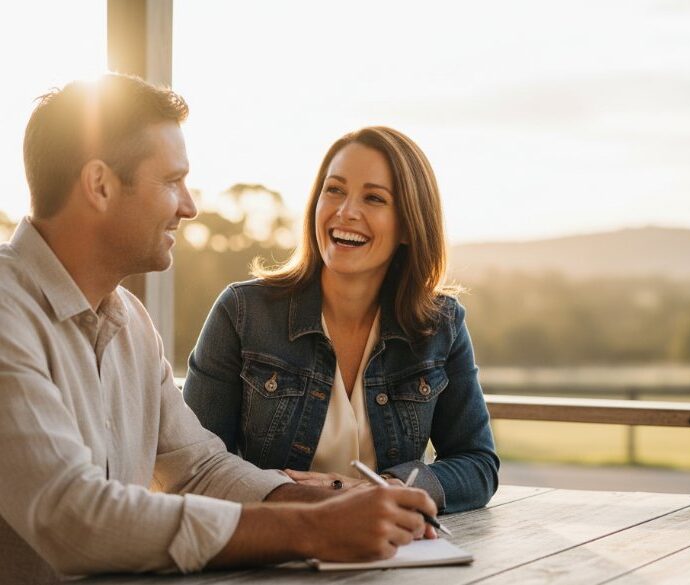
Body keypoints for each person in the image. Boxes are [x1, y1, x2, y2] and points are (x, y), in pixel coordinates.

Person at [0, 74, 438, 585]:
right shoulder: (9, 315)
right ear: (99, 185)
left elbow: (199, 468)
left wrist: (330, 502)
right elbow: (75, 519)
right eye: (171, 181)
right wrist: (312, 528)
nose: (189, 205)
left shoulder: (130, 323)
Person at [183, 126, 499, 514]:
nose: (346, 211)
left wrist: (385, 489)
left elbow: (477, 464)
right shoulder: (242, 312)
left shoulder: (440, 325)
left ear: (408, 225)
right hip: (271, 545)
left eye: (374, 198)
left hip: (385, 550)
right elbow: (196, 466)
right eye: (334, 190)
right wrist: (309, 497)